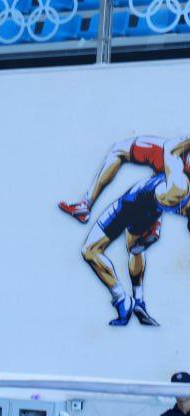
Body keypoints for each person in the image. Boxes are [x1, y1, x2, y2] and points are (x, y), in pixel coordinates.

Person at [79, 175, 188, 327]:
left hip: (133, 202)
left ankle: (122, 300)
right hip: (147, 208)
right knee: (136, 249)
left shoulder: (178, 184)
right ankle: (138, 300)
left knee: (90, 250)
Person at [59, 135, 190, 223]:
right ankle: (153, 223)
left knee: (119, 150)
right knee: (161, 190)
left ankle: (86, 204)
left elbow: (170, 147)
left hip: (173, 158)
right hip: (178, 169)